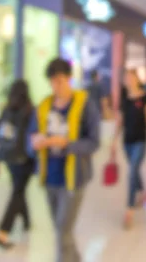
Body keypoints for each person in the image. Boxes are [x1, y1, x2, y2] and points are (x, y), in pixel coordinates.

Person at [29, 58, 100, 262]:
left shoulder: (85, 105)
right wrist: (34, 141)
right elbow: (31, 135)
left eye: (60, 80)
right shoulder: (43, 106)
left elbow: (94, 142)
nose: (56, 86)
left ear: (69, 79)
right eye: (52, 81)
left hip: (74, 178)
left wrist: (67, 144)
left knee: (62, 232)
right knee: (62, 230)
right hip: (49, 176)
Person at [111, 69, 146, 229]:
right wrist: (114, 140)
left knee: (131, 171)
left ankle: (129, 209)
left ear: (138, 80)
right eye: (126, 78)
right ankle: (142, 191)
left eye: (132, 77)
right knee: (135, 170)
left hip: (141, 141)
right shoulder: (124, 99)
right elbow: (120, 122)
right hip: (127, 142)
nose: (129, 80)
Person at [0, 80, 36, 249]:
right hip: (24, 159)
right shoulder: (30, 111)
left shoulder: (6, 109)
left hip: (8, 157)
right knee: (18, 192)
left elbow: (1, 134)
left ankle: (26, 221)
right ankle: (3, 232)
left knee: (19, 189)